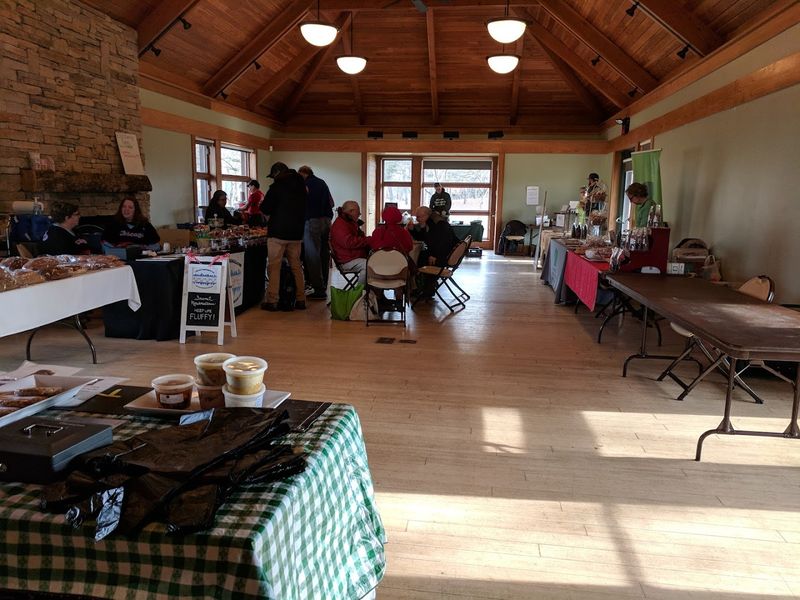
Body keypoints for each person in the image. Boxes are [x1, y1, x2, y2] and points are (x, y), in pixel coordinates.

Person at [260, 162, 308, 311]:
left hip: (278, 233)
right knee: (296, 267)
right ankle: (301, 299)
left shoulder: (276, 188)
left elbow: (265, 208)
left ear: (277, 173)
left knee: (274, 266)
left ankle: (272, 300)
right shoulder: (302, 186)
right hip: (297, 233)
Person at [298, 165, 334, 300]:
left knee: (312, 255)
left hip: (312, 221)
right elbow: (331, 202)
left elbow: (302, 204)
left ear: (303, 174)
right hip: (326, 220)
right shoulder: (322, 182)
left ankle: (318, 289)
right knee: (324, 254)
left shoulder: (305, 185)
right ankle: (323, 284)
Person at [330, 200, 370, 285]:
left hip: (351, 256)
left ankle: (376, 295)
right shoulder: (340, 225)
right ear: (351, 211)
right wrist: (368, 240)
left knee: (375, 262)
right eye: (358, 213)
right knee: (368, 265)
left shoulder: (348, 222)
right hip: (346, 260)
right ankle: (360, 294)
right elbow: (349, 242)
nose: (359, 215)